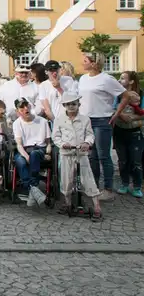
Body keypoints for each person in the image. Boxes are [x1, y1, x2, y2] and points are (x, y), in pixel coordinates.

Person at [78, 52, 129, 201]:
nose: (83, 63)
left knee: (103, 155)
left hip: (101, 120)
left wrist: (117, 112)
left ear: (94, 63)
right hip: (86, 121)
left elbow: (125, 95)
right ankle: (93, 186)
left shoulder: (107, 79)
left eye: (85, 60)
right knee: (92, 156)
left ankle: (108, 188)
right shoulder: (83, 78)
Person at [52, 92, 102, 221]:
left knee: (87, 179)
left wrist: (87, 143)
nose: (71, 106)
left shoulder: (85, 119)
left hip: (81, 154)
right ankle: (67, 203)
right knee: (66, 180)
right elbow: (55, 137)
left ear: (78, 104)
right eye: (68, 104)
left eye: (73, 104)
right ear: (64, 105)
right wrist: (63, 144)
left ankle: (97, 207)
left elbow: (90, 134)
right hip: (66, 154)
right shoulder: (59, 120)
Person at [12, 98, 52, 207]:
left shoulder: (42, 121)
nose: (25, 109)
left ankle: (32, 188)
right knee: (20, 161)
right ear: (17, 111)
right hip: (24, 149)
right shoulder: (17, 123)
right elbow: (19, 145)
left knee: (34, 155)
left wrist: (48, 153)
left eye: (27, 105)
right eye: (22, 107)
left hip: (39, 149)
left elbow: (48, 142)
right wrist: (26, 156)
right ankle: (33, 189)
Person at [113, 71, 144, 198]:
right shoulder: (118, 95)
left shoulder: (141, 94)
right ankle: (124, 183)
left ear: (131, 81)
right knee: (123, 160)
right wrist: (121, 114)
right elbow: (112, 108)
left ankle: (137, 186)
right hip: (120, 130)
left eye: (123, 78)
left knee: (136, 161)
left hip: (135, 132)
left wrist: (132, 118)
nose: (119, 80)